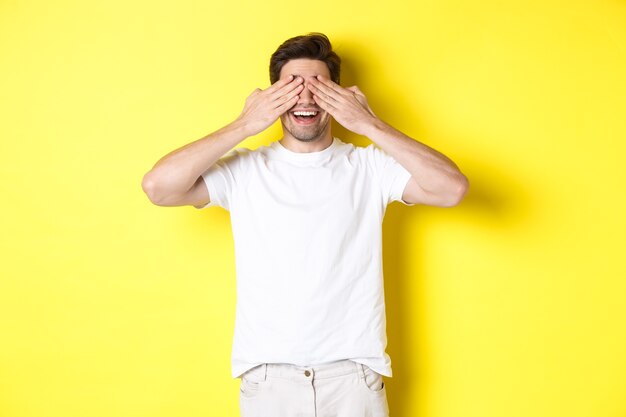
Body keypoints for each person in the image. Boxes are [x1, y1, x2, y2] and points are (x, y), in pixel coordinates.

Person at [142, 32, 468, 417]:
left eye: (320, 87)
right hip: (268, 381)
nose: (307, 99)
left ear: (340, 96)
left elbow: (451, 189)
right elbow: (158, 187)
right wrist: (244, 125)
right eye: (292, 88)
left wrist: (369, 123)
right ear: (271, 98)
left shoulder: (370, 167)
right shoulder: (244, 171)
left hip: (353, 379)